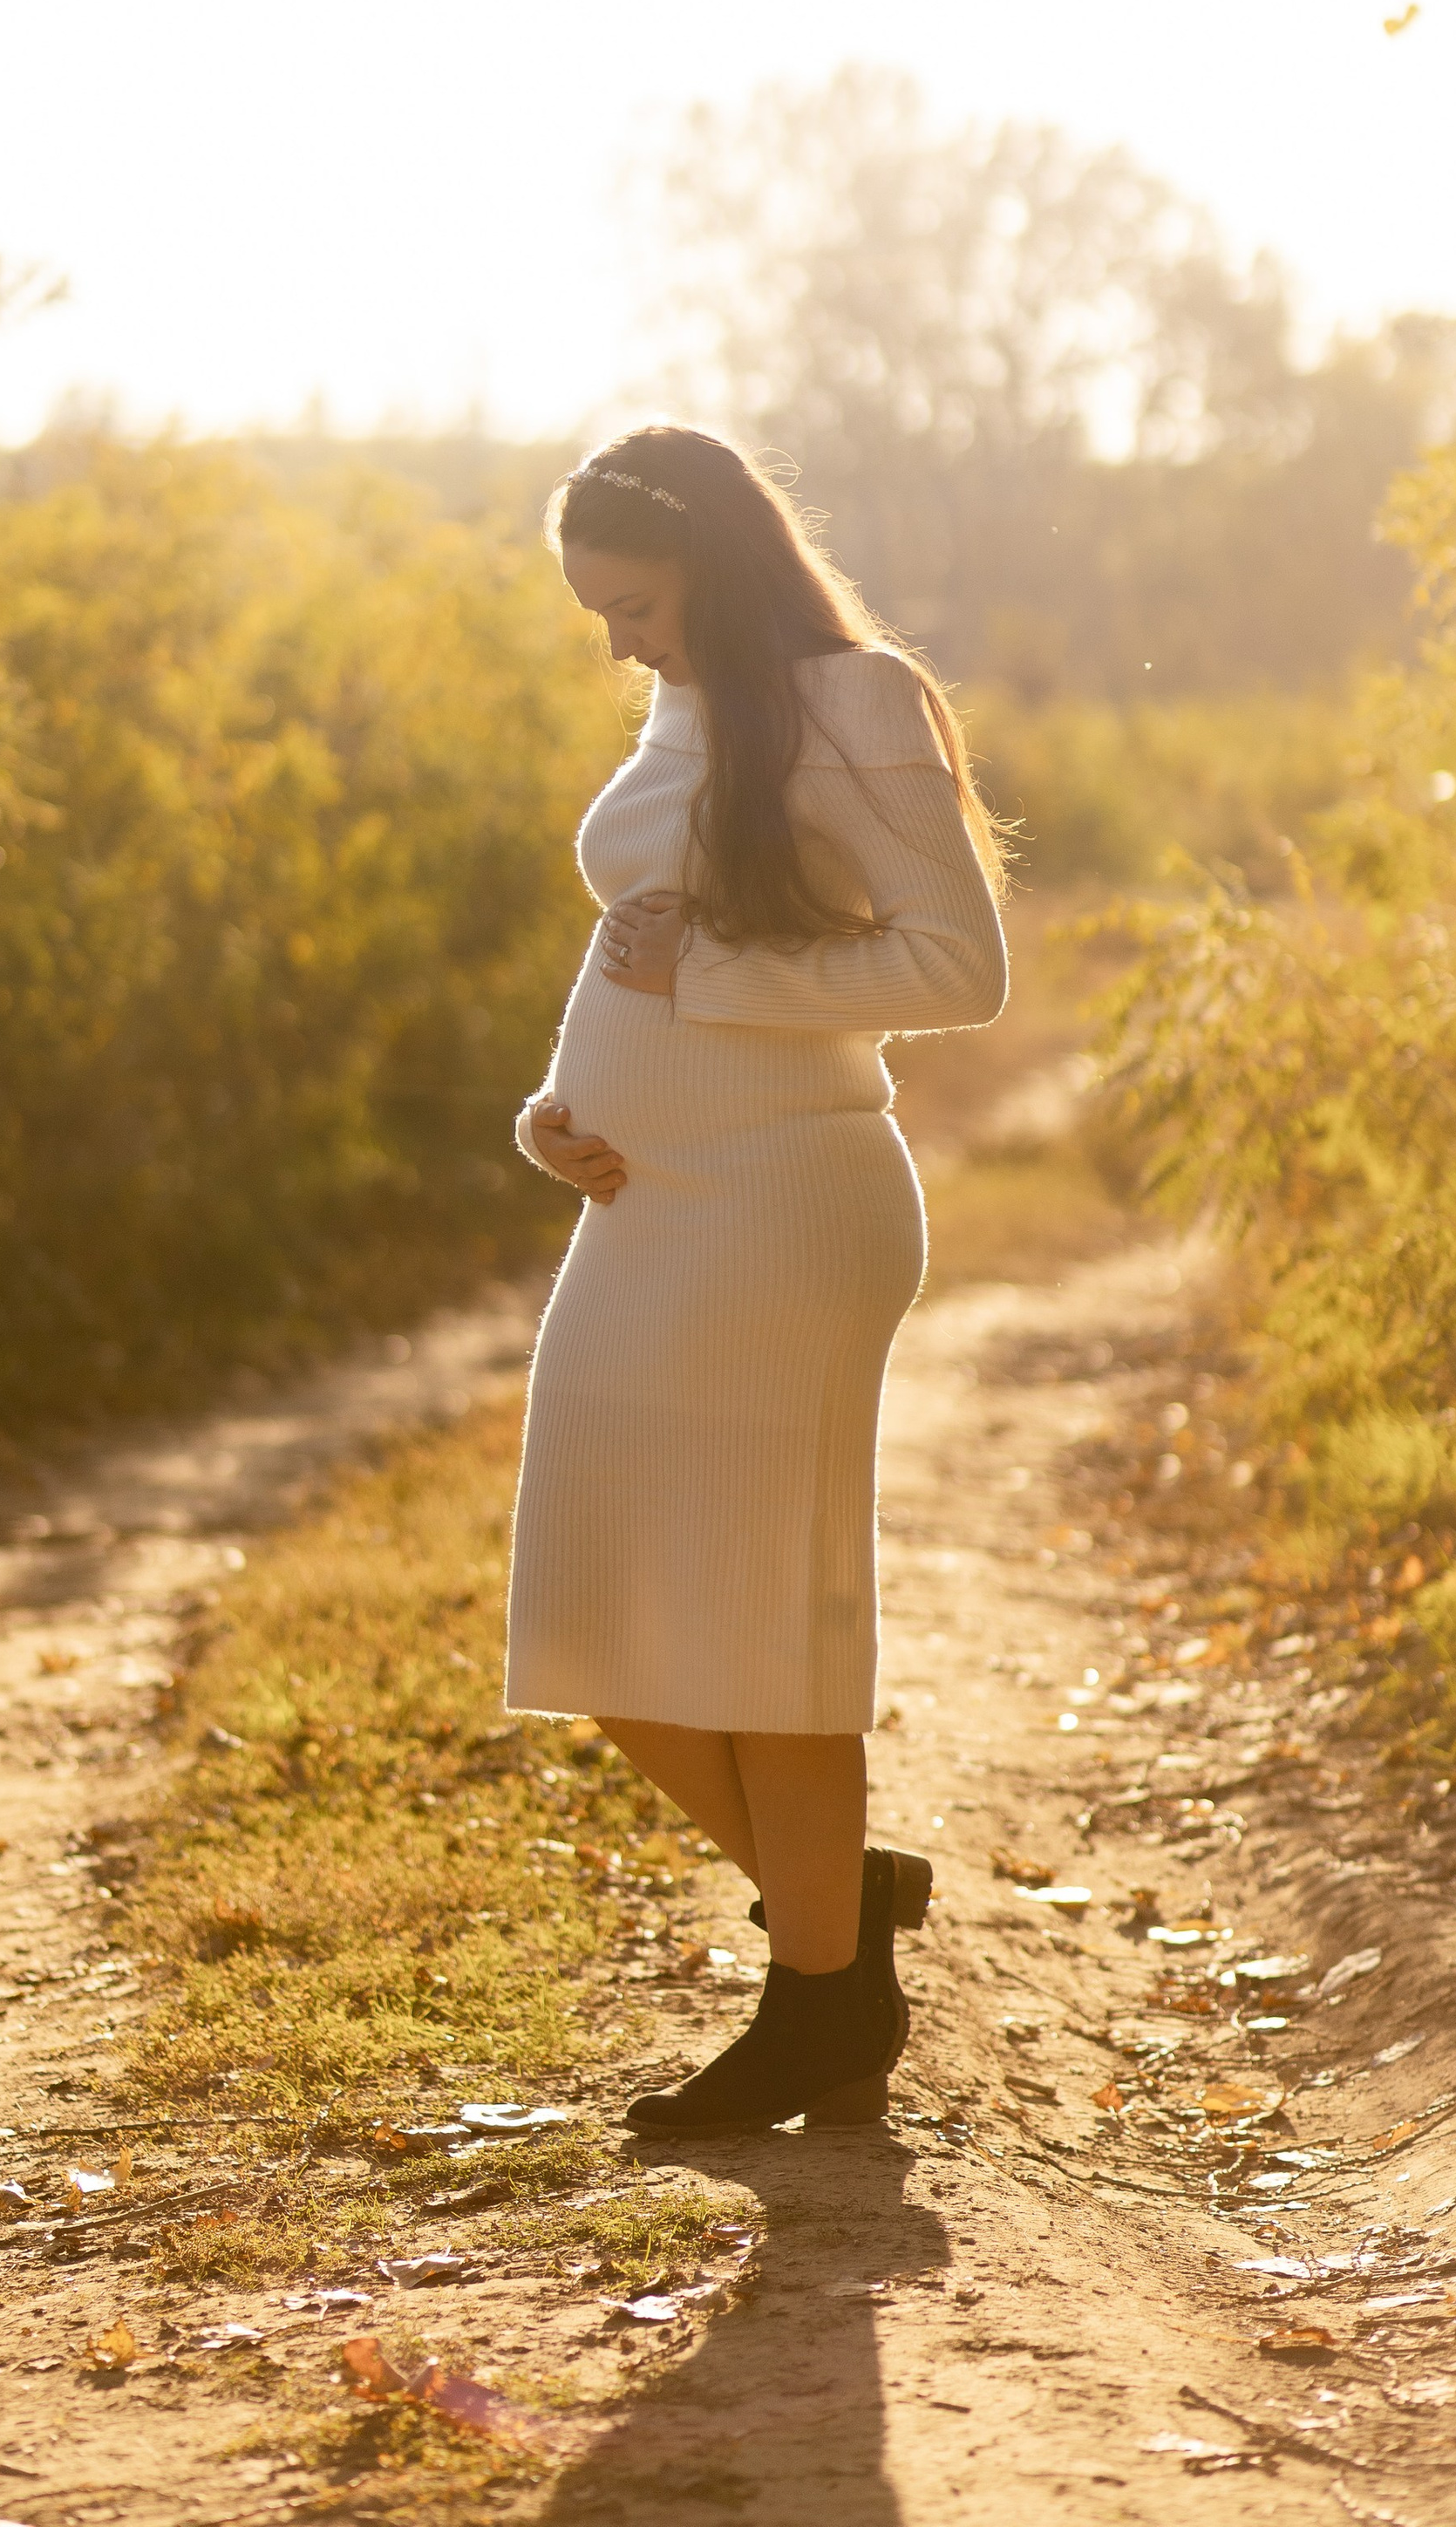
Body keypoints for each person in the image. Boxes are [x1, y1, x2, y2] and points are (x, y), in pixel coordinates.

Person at [506, 424, 1009, 2134]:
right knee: (590, 1611)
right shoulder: (681, 701)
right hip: (650, 1207)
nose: (617, 639)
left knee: (750, 1626)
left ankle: (820, 2005)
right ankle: (831, 1909)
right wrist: (561, 1110)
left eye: (633, 603)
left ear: (711, 568)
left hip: (786, 1211)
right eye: (597, 612)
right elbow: (643, 946)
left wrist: (706, 976)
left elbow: (955, 966)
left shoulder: (852, 702)